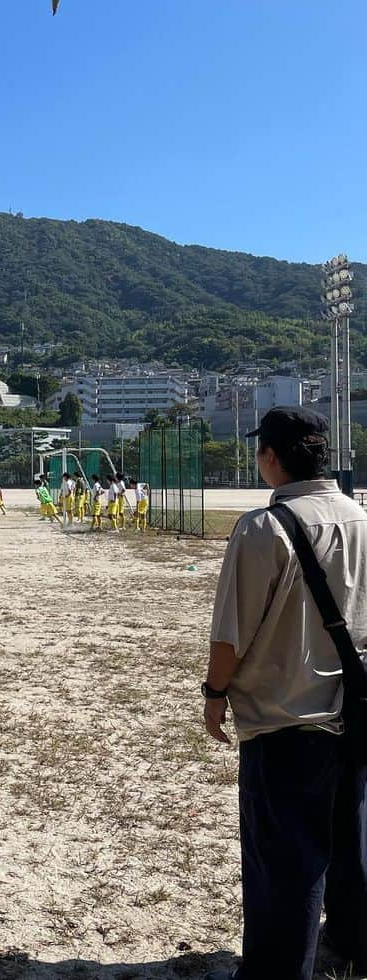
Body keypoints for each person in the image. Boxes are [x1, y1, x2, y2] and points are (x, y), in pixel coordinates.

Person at [203, 407, 367, 980]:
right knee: (352, 846)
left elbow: (230, 635)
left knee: (287, 864)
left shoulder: (262, 528)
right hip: (356, 718)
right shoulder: (361, 519)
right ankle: (348, 948)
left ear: (270, 457)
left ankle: (279, 971)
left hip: (285, 722)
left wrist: (214, 693)